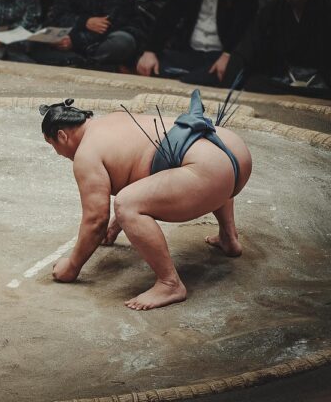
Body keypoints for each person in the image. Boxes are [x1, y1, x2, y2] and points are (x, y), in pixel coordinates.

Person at [41, 93, 252, 310]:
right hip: (232, 150)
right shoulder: (115, 119)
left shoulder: (86, 154)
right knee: (188, 163)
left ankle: (169, 284)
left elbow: (96, 220)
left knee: (126, 204)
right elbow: (145, 172)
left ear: (62, 136)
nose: (57, 153)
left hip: (210, 174)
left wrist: (72, 266)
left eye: (52, 145)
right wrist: (116, 227)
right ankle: (228, 237)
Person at [232, 0, 331, 98]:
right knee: (253, 82)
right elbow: (249, 46)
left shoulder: (326, 6)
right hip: (284, 82)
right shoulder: (272, 10)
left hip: (322, 83)